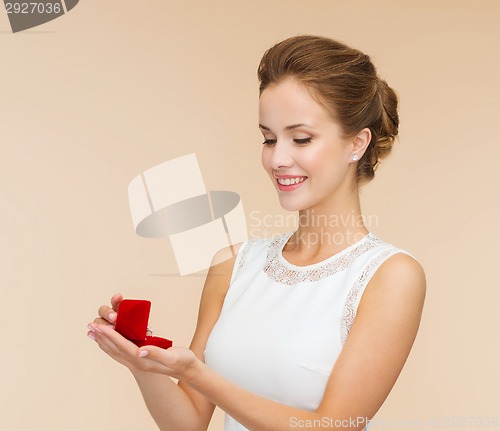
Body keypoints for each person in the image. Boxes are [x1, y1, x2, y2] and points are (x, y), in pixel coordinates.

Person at [87, 35, 426, 431]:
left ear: (357, 143)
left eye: (301, 138)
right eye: (269, 138)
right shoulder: (233, 264)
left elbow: (334, 426)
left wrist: (198, 374)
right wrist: (141, 362)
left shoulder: (390, 276)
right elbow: (188, 424)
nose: (278, 159)